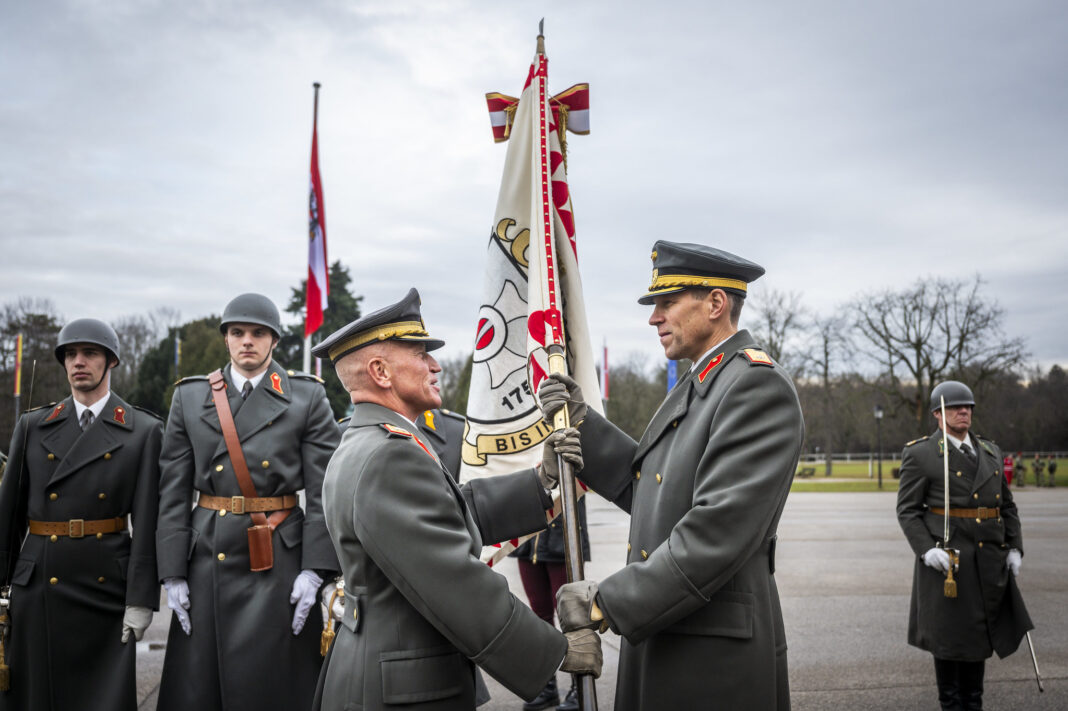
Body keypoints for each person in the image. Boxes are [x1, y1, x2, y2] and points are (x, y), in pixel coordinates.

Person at [539, 241, 805, 710]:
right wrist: (582, 424)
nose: (653, 317)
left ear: (716, 304)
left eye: (667, 303)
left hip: (710, 652)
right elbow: (655, 486)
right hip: (674, 625)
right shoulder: (704, 379)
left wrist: (608, 601)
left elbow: (716, 531)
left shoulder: (755, 385)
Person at [310, 288, 602, 711]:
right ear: (380, 372)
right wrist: (556, 651)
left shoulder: (371, 441)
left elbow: (448, 511)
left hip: (382, 669)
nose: (435, 365)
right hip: (399, 687)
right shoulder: (389, 455)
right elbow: (454, 582)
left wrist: (542, 480)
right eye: (420, 354)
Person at [155, 293, 341, 711]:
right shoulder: (189, 397)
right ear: (225, 339)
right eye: (237, 333)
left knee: (273, 684)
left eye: (258, 333)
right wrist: (171, 573)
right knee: (201, 687)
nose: (247, 342)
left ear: (275, 340)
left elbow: (326, 489)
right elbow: (172, 489)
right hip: (207, 554)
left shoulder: (305, 397)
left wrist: (315, 570)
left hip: (278, 558)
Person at [0, 319, 162, 710]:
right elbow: (8, 517)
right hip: (39, 582)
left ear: (111, 362)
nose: (78, 362)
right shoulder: (34, 426)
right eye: (70, 355)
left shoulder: (142, 430)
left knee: (99, 697)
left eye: (89, 354)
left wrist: (141, 600)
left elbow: (147, 522)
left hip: (105, 585)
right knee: (36, 694)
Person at [896, 380, 1032, 711]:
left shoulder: (990, 451)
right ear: (937, 415)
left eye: (968, 407)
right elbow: (908, 510)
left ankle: (974, 703)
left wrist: (1015, 547)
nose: (963, 412)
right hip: (949, 564)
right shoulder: (922, 454)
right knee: (949, 642)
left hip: (987, 562)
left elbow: (1007, 506)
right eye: (955, 407)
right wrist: (926, 550)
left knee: (978, 638)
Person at [511, 499, 592, 711]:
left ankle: (581, 688)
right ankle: (547, 688)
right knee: (538, 618)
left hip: (563, 535)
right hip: (528, 538)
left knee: (571, 618)